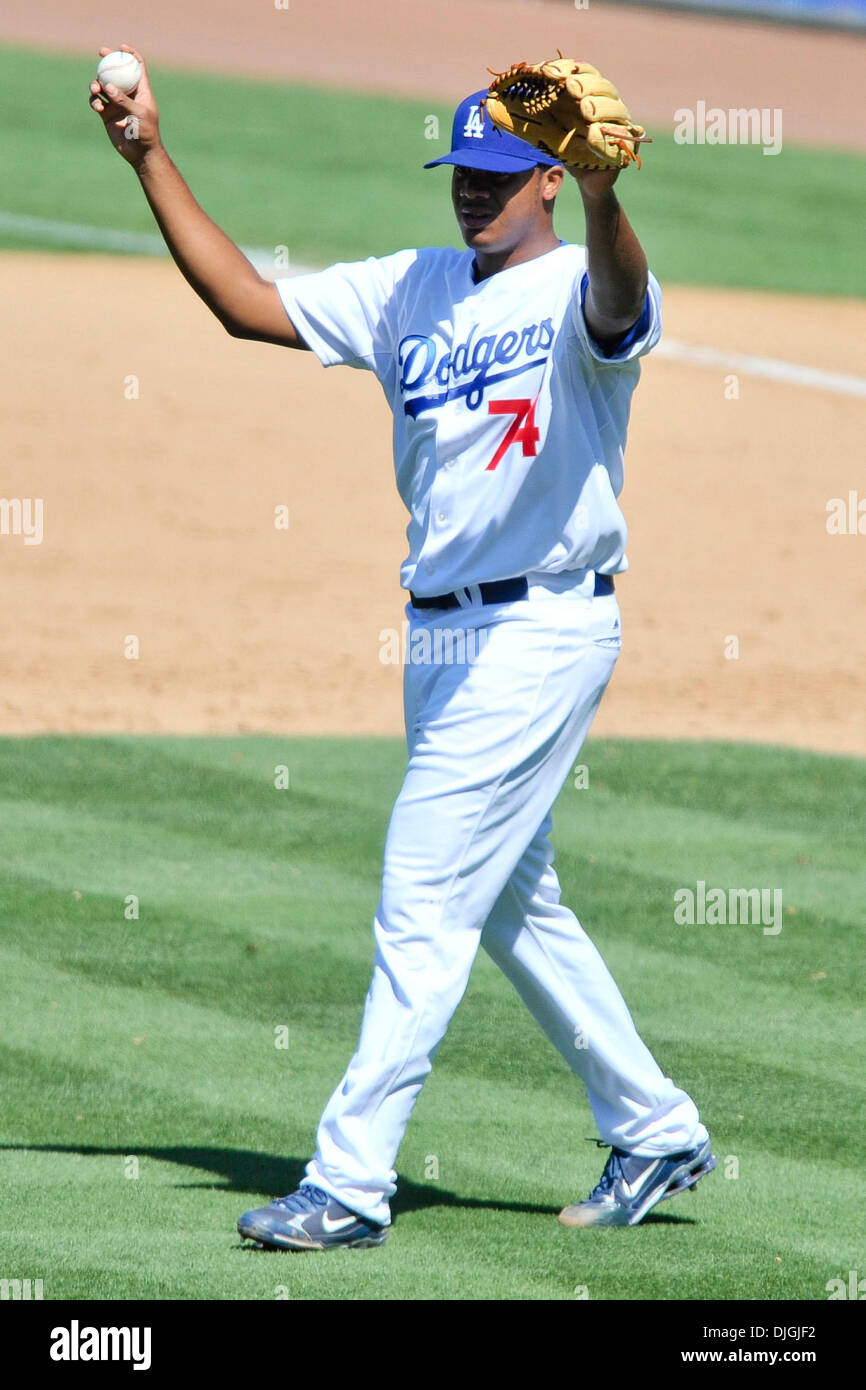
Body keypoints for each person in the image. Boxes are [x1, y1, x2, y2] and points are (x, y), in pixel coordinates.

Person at [90, 46, 715, 1251]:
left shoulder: (583, 286)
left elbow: (622, 308)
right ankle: (653, 1125)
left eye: (498, 174)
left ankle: (349, 1181)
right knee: (510, 900)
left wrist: (601, 191)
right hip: (439, 638)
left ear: (545, 180)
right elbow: (245, 304)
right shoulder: (408, 288)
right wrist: (148, 154)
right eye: (460, 172)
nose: (471, 192)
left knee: (422, 889)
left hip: (541, 625)